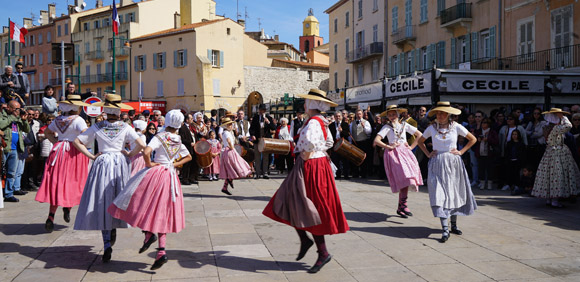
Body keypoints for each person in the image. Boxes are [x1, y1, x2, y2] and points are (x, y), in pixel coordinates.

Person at [263, 88, 349, 273]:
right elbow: (329, 143)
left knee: (308, 206)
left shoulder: (313, 123)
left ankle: (322, 251)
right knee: (292, 201)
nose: (304, 104)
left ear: (312, 104)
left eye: (306, 102)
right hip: (317, 164)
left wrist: (306, 155)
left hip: (310, 166)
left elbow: (310, 144)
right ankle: (305, 240)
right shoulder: (322, 121)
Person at [108, 109, 192, 270]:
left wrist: (148, 164)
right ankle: (160, 250)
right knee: (162, 212)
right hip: (170, 176)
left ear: (167, 121)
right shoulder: (178, 139)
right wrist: (173, 165)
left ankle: (148, 234)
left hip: (157, 173)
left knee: (139, 203)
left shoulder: (160, 136)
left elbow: (146, 151)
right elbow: (188, 156)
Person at [73, 94, 145, 263]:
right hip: (119, 162)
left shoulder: (97, 126)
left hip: (102, 161)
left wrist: (91, 156)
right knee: (117, 197)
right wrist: (129, 154)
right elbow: (141, 145)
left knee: (101, 199)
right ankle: (114, 227)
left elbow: (77, 141)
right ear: (119, 111)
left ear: (105, 110)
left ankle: (106, 243)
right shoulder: (125, 127)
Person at [417, 101, 477, 243]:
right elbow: (420, 141)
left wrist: (461, 151)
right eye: (438, 112)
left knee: (453, 193)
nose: (440, 115)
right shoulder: (432, 128)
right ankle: (445, 228)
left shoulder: (456, 127)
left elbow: (473, 139)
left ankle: (453, 225)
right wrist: (428, 153)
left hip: (453, 163)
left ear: (449, 114)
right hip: (437, 163)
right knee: (439, 194)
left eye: (443, 113)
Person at [35, 95, 91, 232]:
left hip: (58, 151)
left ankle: (51, 215)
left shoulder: (58, 119)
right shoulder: (79, 120)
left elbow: (47, 132)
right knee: (73, 181)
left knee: (57, 182)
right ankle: (67, 207)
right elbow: (86, 135)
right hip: (73, 153)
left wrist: (57, 142)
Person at [374, 105, 423, 218]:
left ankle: (402, 205)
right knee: (403, 177)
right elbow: (376, 140)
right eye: (390, 115)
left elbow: (419, 135)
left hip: (405, 153)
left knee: (408, 178)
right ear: (387, 116)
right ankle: (402, 205)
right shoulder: (387, 127)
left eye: (394, 114)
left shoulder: (404, 125)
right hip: (394, 154)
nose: (392, 117)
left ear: (398, 114)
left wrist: (411, 147)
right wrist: (388, 146)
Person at [531, 108, 580, 208]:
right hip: (557, 152)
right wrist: (563, 116)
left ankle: (549, 199)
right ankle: (555, 200)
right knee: (557, 175)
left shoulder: (546, 127)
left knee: (548, 175)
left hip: (549, 152)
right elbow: (569, 126)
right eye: (557, 116)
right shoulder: (556, 128)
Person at [1, 100, 30, 202]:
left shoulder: (18, 118)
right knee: (1, 172)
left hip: (15, 149)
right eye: (16, 109)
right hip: (4, 148)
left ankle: (9, 194)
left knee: (11, 173)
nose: (18, 111)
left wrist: (24, 120)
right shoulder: (2, 116)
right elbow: (1, 125)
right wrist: (12, 118)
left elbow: (27, 130)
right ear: (9, 108)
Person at [219, 117, 252, 195]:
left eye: (231, 124)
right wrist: (232, 147)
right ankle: (229, 182)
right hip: (229, 151)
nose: (231, 126)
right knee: (235, 167)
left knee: (232, 168)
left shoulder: (227, 132)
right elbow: (228, 141)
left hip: (228, 151)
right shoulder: (226, 133)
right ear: (226, 126)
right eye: (229, 124)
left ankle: (225, 186)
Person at [498, 114, 528, 190]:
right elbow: (500, 140)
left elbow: (524, 138)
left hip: (518, 152)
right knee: (508, 170)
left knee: (517, 172)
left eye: (511, 119)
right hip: (508, 150)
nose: (509, 120)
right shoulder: (504, 128)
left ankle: (517, 185)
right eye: (507, 119)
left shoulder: (520, 128)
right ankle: (508, 184)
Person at [250, 104, 275, 179]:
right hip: (257, 139)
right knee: (257, 157)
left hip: (265, 140)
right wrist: (252, 135)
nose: (261, 111)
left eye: (263, 110)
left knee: (266, 157)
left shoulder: (269, 118)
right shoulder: (255, 118)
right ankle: (258, 173)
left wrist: (268, 122)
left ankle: (265, 173)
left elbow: (273, 128)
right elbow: (251, 128)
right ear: (259, 110)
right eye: (260, 110)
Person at [474, 118, 499, 190]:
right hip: (480, 153)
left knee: (490, 169)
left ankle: (489, 184)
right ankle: (482, 183)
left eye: (485, 123)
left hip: (489, 153)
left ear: (488, 124)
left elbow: (496, 141)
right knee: (481, 169)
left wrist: (487, 140)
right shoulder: (478, 131)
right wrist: (477, 140)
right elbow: (474, 141)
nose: (483, 124)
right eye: (482, 123)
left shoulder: (492, 132)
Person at [350, 109, 372, 178]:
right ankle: (355, 173)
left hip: (363, 142)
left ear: (362, 115)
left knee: (363, 158)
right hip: (355, 142)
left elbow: (369, 132)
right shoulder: (352, 123)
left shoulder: (366, 122)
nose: (358, 115)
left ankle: (363, 174)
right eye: (357, 114)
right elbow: (351, 133)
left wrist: (364, 127)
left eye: (360, 114)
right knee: (355, 158)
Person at [178, 113, 199, 185]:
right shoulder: (182, 128)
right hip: (187, 148)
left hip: (194, 148)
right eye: (191, 119)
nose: (192, 120)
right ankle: (185, 179)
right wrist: (189, 143)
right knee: (187, 164)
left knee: (194, 163)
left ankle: (192, 177)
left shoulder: (192, 127)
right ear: (187, 120)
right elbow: (182, 139)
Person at [329, 111, 350, 179]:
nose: (338, 117)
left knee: (345, 160)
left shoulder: (345, 124)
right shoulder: (331, 125)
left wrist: (342, 131)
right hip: (335, 144)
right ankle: (337, 175)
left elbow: (348, 134)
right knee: (335, 160)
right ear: (334, 117)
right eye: (336, 116)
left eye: (339, 116)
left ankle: (346, 175)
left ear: (341, 117)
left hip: (343, 145)